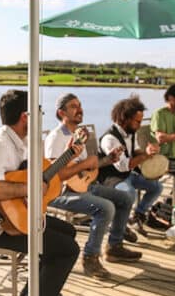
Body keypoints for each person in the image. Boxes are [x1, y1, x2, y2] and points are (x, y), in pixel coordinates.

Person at [0, 89, 80, 296]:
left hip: (23, 217)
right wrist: (29, 189)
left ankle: (34, 295)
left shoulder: (22, 141)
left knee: (68, 232)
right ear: (26, 116)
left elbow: (41, 175)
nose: (41, 118)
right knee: (67, 250)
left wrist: (69, 155)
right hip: (1, 227)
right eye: (39, 113)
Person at [43, 93, 141, 278]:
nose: (79, 109)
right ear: (61, 112)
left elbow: (86, 169)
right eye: (73, 106)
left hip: (81, 186)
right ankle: (90, 258)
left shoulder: (77, 134)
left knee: (125, 198)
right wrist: (86, 163)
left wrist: (107, 160)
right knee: (105, 208)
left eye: (80, 105)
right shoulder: (56, 138)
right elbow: (56, 175)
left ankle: (114, 247)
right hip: (60, 192)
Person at [99, 95, 168, 234]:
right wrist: (146, 155)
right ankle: (119, 226)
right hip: (110, 178)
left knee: (157, 187)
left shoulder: (131, 133)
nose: (140, 125)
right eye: (137, 121)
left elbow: (136, 152)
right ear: (125, 119)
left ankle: (138, 215)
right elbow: (124, 166)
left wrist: (149, 152)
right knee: (130, 193)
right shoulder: (110, 139)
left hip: (127, 175)